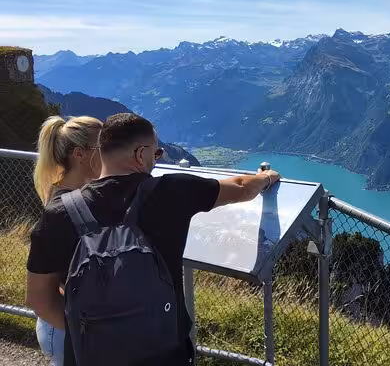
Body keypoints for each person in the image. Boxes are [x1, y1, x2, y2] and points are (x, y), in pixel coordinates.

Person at [26, 113, 280, 365]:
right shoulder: (171, 191)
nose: (156, 161)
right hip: (165, 353)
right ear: (140, 154)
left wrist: (95, 333)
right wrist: (266, 178)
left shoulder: (59, 212)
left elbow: (40, 300)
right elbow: (241, 187)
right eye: (155, 154)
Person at [30, 115, 103, 366]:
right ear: (80, 154)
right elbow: (41, 299)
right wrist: (86, 333)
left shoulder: (73, 193)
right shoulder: (61, 210)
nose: (111, 152)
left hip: (69, 321)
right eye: (103, 147)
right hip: (62, 328)